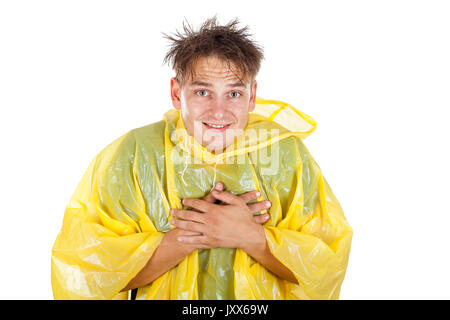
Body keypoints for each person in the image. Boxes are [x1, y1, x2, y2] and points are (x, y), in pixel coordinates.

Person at [51, 16, 353, 300]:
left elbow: (326, 268)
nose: (218, 111)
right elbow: (86, 276)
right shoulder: (134, 155)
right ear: (176, 92)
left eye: (233, 94)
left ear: (252, 97)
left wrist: (252, 239)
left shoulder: (285, 155)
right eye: (202, 92)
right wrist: (190, 236)